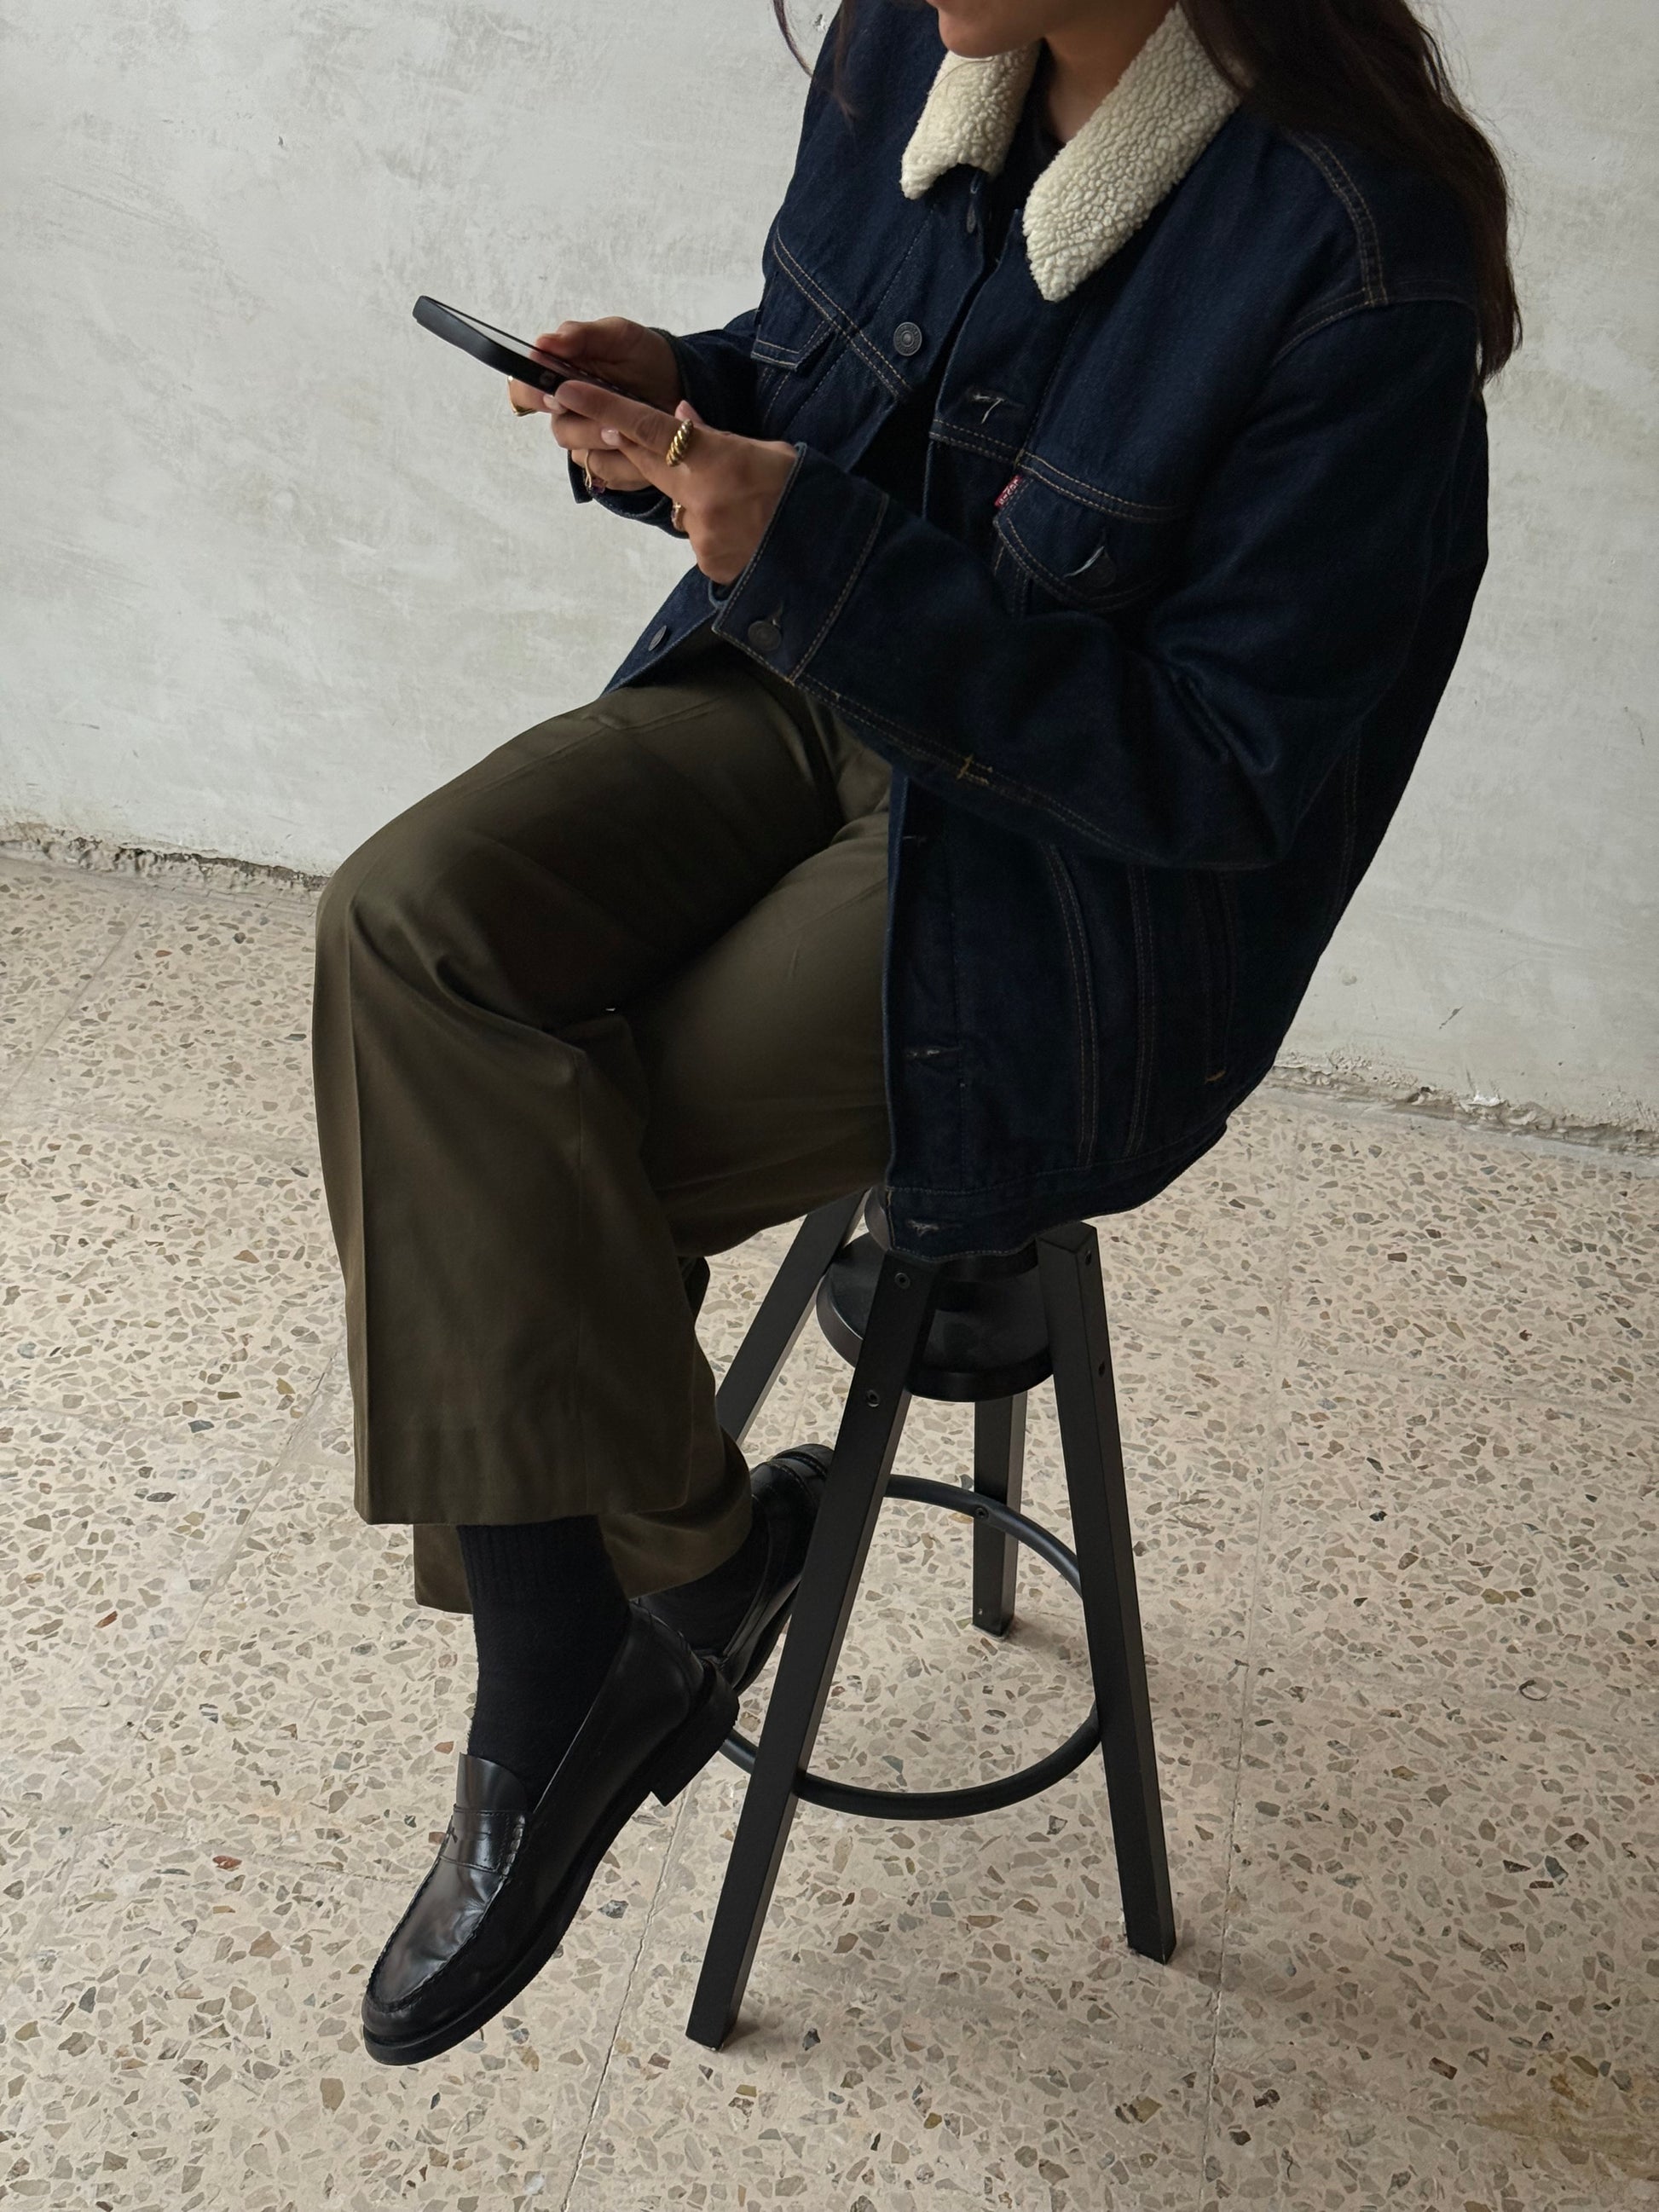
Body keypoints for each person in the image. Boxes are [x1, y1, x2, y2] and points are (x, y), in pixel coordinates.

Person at [311, 0, 1517, 2065]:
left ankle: (552, 1677)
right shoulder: (915, 48)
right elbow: (853, 384)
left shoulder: (1351, 256)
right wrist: (685, 398)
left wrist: (817, 551)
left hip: (1067, 872)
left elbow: (1224, 767)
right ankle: (682, 1579)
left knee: (527, 1148)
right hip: (808, 681)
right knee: (398, 930)